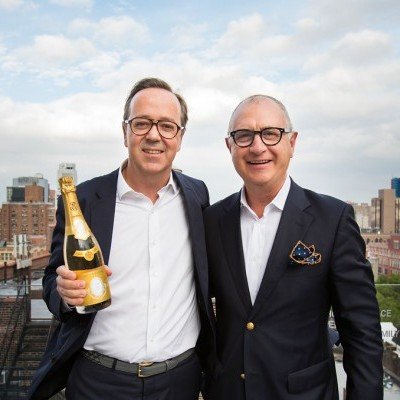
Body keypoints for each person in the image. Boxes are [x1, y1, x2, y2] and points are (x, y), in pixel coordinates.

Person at [29, 78, 215, 400]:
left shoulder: (197, 195)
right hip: (98, 382)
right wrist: (64, 293)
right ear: (125, 131)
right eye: (142, 123)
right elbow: (51, 278)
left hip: (179, 381)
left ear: (180, 137)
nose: (154, 135)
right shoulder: (84, 199)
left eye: (167, 126)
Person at [203, 95, 383, 399]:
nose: (257, 146)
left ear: (292, 142)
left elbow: (361, 329)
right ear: (229, 146)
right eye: (244, 135)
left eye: (270, 133)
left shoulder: (332, 219)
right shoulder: (212, 220)